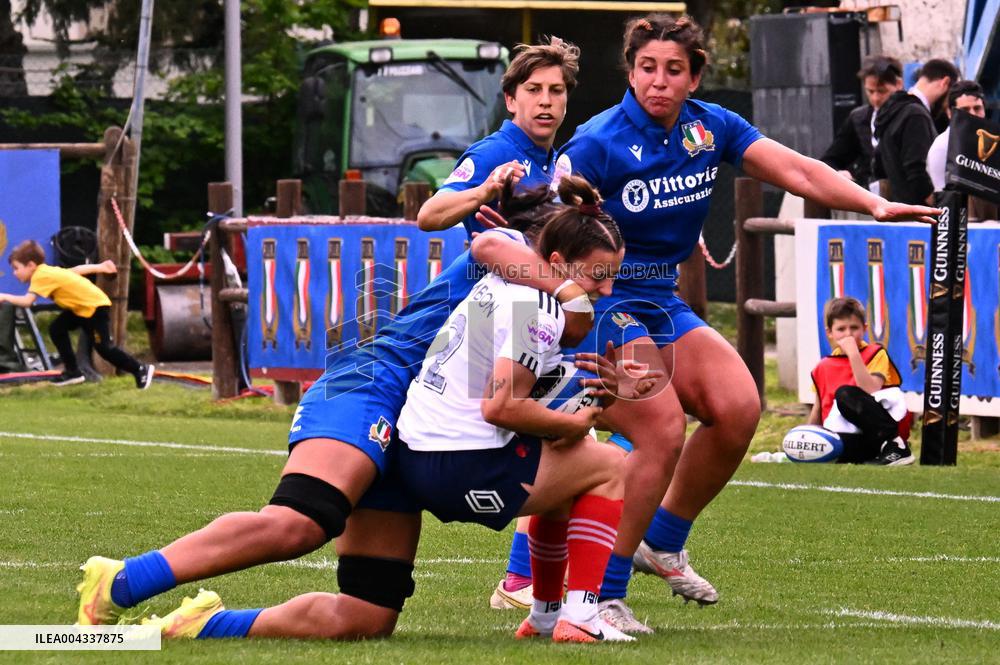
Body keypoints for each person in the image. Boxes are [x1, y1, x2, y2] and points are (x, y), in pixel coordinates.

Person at [73, 181, 606, 641]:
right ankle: (120, 583)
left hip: (413, 426)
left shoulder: (542, 308)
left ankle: (198, 626)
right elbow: (489, 241)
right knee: (301, 522)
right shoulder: (520, 255)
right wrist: (569, 293)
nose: (600, 290)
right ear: (556, 253)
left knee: (367, 615)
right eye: (595, 276)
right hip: (372, 382)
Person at [546, 13, 940, 633]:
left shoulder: (712, 127)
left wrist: (874, 202)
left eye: (674, 70)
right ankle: (598, 596)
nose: (659, 81)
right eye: (647, 68)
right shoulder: (597, 142)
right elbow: (550, 225)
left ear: (695, 74)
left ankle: (663, 540)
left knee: (739, 408)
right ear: (630, 71)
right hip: (601, 305)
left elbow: (804, 171)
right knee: (662, 429)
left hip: (663, 301)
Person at [397, 176, 641, 642]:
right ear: (555, 264)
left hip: (421, 458)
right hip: (458, 466)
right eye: (597, 276)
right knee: (609, 465)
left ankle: (546, 618)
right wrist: (574, 420)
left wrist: (594, 399)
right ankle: (582, 616)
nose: (607, 290)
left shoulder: (507, 278)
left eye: (613, 276)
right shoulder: (540, 309)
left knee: (574, 467)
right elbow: (502, 407)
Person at [417, 37, 579, 236]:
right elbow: (428, 216)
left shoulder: (560, 164)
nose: (545, 101)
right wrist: (484, 191)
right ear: (510, 100)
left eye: (556, 90)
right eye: (533, 90)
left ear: (566, 102)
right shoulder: (491, 153)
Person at [0, 240, 153, 388]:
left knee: (104, 349)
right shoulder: (47, 271)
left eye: (16, 268)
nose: (14, 273)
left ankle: (140, 369)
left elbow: (27, 301)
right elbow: (75, 271)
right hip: (80, 309)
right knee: (57, 329)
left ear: (31, 265)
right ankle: (73, 371)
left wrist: (5, 297)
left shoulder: (40, 276)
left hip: (93, 308)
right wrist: (100, 267)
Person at [807, 297, 913, 466]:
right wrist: (807, 440)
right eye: (841, 329)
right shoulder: (822, 367)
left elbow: (870, 388)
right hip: (847, 438)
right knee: (825, 447)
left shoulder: (876, 353)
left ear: (864, 329)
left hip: (878, 435)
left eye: (854, 328)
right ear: (830, 333)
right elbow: (818, 409)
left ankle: (897, 447)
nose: (848, 334)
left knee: (845, 394)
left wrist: (853, 354)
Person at [872, 58, 959, 204]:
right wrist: (942, 208)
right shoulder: (916, 114)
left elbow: (878, 166)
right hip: (919, 214)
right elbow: (918, 172)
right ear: (945, 82)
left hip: (900, 210)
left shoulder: (894, 111)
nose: (947, 106)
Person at [820, 55, 903, 188]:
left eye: (882, 92)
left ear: (898, 84)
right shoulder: (859, 118)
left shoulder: (911, 115)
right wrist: (839, 173)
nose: (875, 98)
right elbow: (831, 159)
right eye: (870, 91)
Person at [926, 80, 987, 191]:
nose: (972, 114)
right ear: (950, 113)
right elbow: (941, 195)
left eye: (977, 108)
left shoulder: (991, 141)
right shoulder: (942, 147)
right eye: (965, 109)